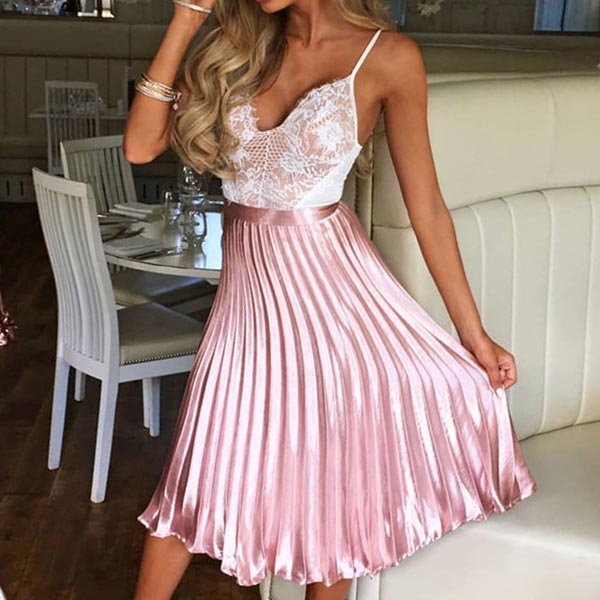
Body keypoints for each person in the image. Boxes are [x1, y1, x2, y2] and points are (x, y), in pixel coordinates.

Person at [123, 2, 538, 599]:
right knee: (194, 480)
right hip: (247, 316)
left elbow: (426, 208)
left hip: (340, 314)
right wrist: (187, 17)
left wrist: (474, 336)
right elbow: (140, 147)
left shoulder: (389, 57)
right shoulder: (237, 45)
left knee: (335, 502)